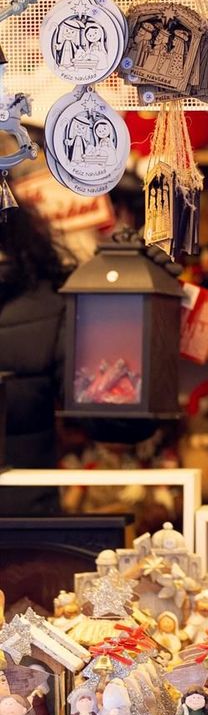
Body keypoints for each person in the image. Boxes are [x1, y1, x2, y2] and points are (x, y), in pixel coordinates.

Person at [0, 198, 73, 514]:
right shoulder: (49, 302)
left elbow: (109, 417)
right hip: (28, 513)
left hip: (24, 517)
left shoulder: (49, 304)